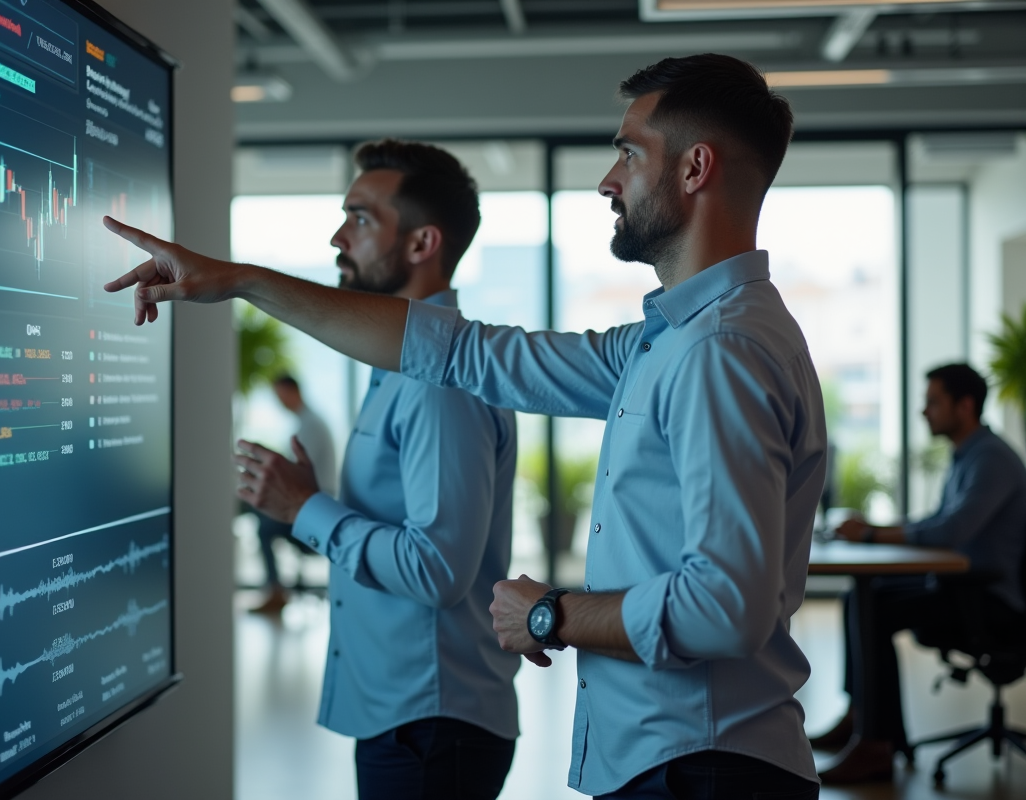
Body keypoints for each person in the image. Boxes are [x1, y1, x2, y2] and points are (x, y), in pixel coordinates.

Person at [100, 53, 824, 799]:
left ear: (695, 168)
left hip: (702, 767)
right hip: (677, 760)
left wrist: (551, 615)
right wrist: (242, 281)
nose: (609, 181)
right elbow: (463, 353)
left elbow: (726, 606)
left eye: (629, 153)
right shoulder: (666, 342)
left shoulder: (719, 350)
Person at [233, 141, 521, 797]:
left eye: (360, 219)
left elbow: (436, 569)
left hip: (431, 726)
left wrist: (304, 508)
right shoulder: (399, 370)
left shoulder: (437, 384)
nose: (339, 238)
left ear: (422, 243)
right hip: (412, 719)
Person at [815, 363, 1026, 783]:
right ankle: (862, 717)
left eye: (933, 402)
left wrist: (872, 535)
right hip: (962, 584)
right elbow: (940, 522)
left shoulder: (991, 459)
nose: (924, 411)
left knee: (873, 606)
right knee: (861, 596)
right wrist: (879, 527)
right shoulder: (969, 454)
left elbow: (951, 531)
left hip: (990, 599)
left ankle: (876, 745)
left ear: (964, 406)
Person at [247, 373, 337, 616]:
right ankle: (275, 589)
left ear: (293, 391)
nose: (279, 402)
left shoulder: (311, 426)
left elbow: (296, 473)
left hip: (316, 507)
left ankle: (276, 591)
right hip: (315, 502)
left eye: (280, 395)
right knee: (258, 512)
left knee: (264, 527)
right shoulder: (308, 423)